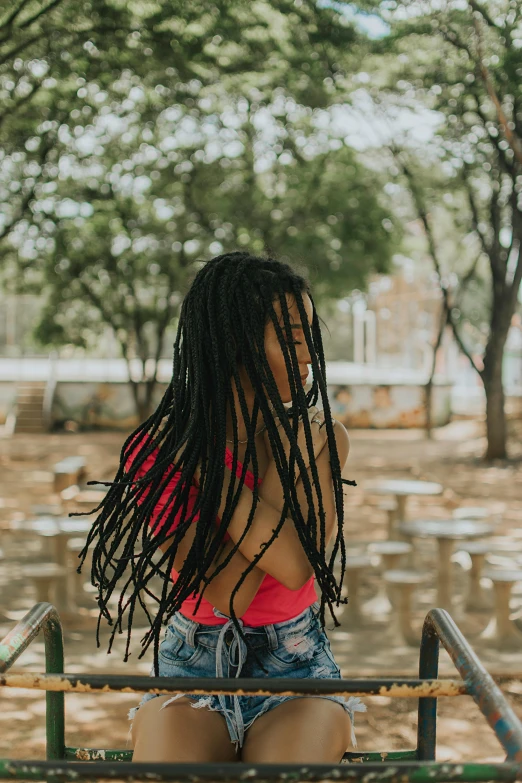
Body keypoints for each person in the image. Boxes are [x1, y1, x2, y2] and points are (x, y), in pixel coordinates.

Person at [81, 251, 364, 764]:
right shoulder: (157, 451)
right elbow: (226, 593)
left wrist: (218, 470)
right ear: (234, 343)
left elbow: (298, 567)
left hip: (295, 666)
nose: (309, 355)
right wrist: (251, 469)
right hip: (194, 666)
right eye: (291, 338)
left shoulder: (324, 439)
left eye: (309, 336)